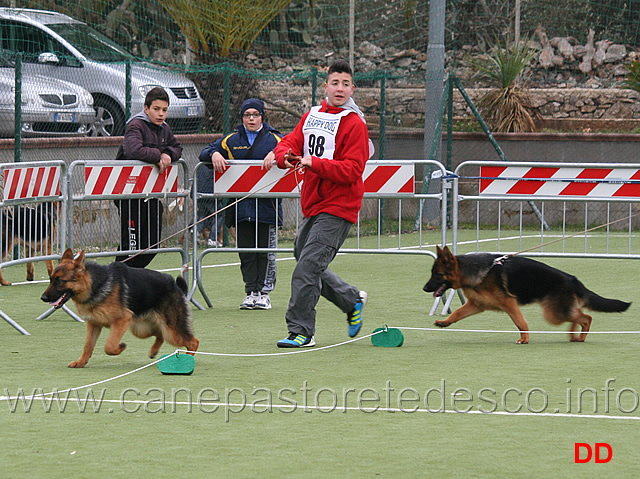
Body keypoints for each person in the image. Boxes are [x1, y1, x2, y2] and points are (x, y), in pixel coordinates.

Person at [273, 59, 373, 348]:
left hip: (340, 206)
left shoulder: (354, 124)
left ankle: (302, 331)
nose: (340, 88)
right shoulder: (311, 115)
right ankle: (351, 299)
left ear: (352, 89)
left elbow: (353, 170)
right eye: (335, 82)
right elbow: (289, 143)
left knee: (306, 268)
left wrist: (313, 163)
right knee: (303, 257)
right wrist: (285, 156)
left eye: (345, 84)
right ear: (325, 86)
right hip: (313, 203)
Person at [199, 98, 283, 310]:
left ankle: (264, 293)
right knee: (245, 251)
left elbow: (292, 150)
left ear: (262, 116)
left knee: (265, 251)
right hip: (241, 208)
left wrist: (276, 154)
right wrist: (215, 153)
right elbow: (205, 152)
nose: (251, 119)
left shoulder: (275, 139)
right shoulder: (232, 140)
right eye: (247, 115)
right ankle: (250, 292)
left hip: (267, 209)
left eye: (255, 114)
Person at [114, 86, 182, 268]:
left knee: (152, 245)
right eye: (156, 109)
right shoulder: (136, 125)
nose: (161, 114)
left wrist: (168, 154)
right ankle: (119, 280)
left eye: (165, 110)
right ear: (146, 108)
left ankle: (132, 276)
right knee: (131, 245)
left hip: (151, 194)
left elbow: (177, 148)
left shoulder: (164, 128)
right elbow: (133, 149)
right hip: (129, 193)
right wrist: (158, 155)